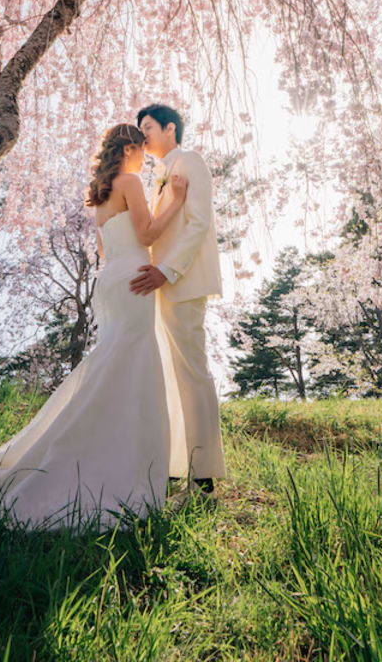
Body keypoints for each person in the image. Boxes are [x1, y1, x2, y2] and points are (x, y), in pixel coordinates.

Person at [0, 123, 188, 530]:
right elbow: (147, 233)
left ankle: (95, 443)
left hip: (111, 280)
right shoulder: (130, 181)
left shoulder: (100, 197)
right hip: (134, 277)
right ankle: (124, 464)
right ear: (130, 148)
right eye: (141, 150)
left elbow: (105, 250)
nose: (144, 158)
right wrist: (176, 201)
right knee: (134, 364)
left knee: (116, 364)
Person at [129, 104, 226, 495]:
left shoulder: (190, 161)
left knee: (192, 371)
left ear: (171, 128)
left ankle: (203, 474)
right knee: (168, 375)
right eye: (140, 128)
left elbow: (199, 222)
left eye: (148, 126)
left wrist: (167, 271)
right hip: (160, 285)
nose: (143, 134)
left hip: (182, 280)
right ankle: (173, 466)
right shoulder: (157, 176)